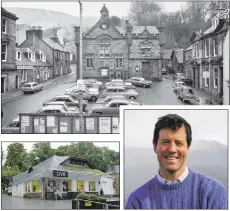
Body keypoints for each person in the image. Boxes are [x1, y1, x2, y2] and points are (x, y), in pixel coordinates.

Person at [126, 114, 228, 209]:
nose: (172, 149)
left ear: (188, 147)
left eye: (179, 143)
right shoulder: (137, 201)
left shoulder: (213, 193)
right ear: (154, 146)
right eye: (165, 142)